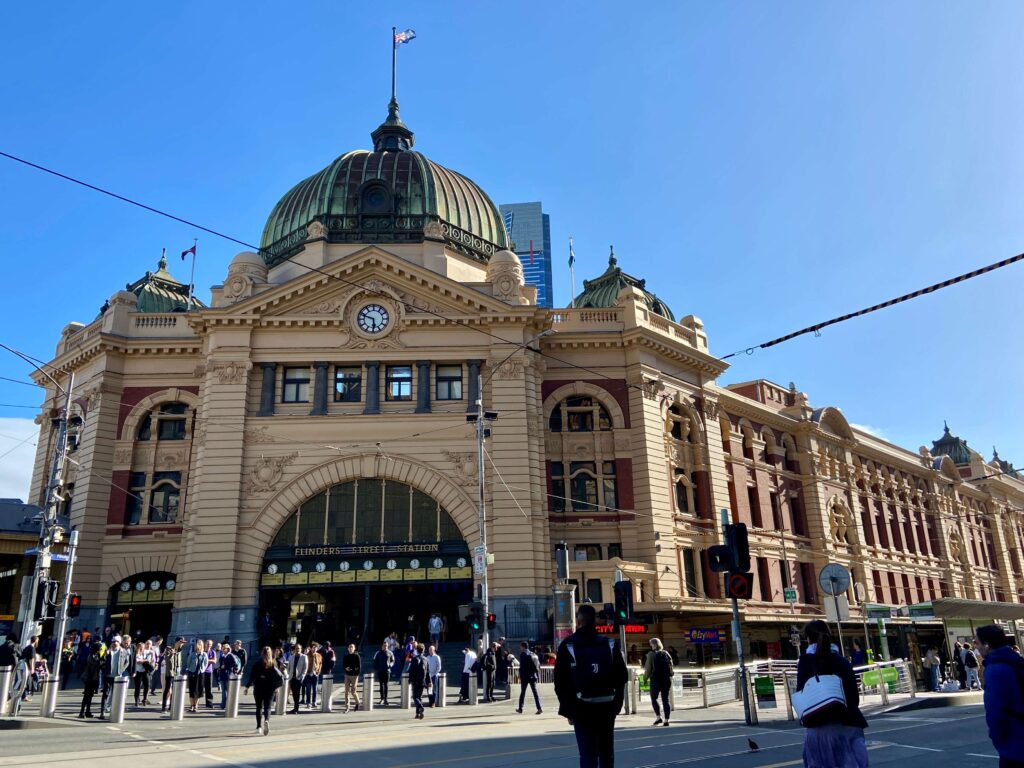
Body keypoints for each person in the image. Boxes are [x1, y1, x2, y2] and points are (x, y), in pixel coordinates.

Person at [554, 604, 628, 768]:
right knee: (606, 752)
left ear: (578, 621)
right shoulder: (609, 643)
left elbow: (560, 682)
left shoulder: (568, 644)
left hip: (581, 707)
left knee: (587, 754)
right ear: (595, 621)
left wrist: (568, 711)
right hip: (607, 706)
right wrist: (617, 705)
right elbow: (622, 676)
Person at [796, 620, 869, 768]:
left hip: (819, 727)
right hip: (850, 723)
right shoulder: (842, 661)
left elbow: (801, 693)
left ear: (808, 639)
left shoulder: (805, 661)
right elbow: (854, 698)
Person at [975, 624, 1024, 767]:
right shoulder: (1017, 661)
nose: (976, 647)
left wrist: (998, 738)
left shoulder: (995, 670)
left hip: (1015, 745)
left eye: (977, 642)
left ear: (987, 645)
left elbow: (995, 712)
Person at [245, 646, 283, 736]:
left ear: (262, 653)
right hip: (270, 688)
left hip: (258, 687)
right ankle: (266, 720)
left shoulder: (257, 663)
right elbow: (278, 677)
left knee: (259, 707)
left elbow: (252, 676)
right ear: (271, 653)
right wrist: (276, 687)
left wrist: (247, 687)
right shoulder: (273, 664)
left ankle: (259, 727)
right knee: (268, 707)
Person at [644, 637, 674, 726]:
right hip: (666, 679)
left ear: (653, 644)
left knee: (654, 698)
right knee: (665, 699)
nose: (650, 646)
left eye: (651, 644)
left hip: (655, 679)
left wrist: (645, 679)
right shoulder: (666, 653)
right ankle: (666, 720)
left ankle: (658, 717)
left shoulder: (651, 654)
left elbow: (648, 669)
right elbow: (671, 666)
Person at [101, 635, 132, 718]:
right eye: (113, 641)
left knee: (115, 694)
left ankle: (113, 710)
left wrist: (121, 670)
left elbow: (127, 662)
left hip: (117, 676)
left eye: (116, 642)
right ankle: (102, 712)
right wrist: (105, 654)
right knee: (105, 694)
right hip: (108, 676)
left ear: (119, 643)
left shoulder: (123, 651)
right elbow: (102, 661)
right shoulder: (108, 651)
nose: (114, 643)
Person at [516, 641, 542, 715]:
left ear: (523, 647)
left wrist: (520, 676)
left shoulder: (523, 654)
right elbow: (538, 665)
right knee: (535, 693)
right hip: (533, 676)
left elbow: (522, 667)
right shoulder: (532, 653)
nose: (520, 648)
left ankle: (520, 708)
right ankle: (539, 708)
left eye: (521, 646)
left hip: (525, 677)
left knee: (523, 693)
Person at [79, 641, 104, 718]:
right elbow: (96, 664)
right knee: (86, 695)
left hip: (94, 678)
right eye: (100, 648)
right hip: (89, 677)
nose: (101, 650)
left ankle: (87, 711)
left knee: (90, 696)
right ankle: (82, 712)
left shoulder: (97, 655)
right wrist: (101, 662)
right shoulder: (91, 656)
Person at [161, 638, 184, 712]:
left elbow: (179, 661)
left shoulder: (180, 650)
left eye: (183, 643)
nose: (182, 644)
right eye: (181, 642)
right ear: (177, 642)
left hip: (177, 673)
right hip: (170, 672)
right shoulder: (169, 648)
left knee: (175, 690)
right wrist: (171, 654)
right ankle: (164, 707)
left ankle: (171, 706)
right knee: (167, 689)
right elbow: (167, 660)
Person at [186, 639, 208, 713]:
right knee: (192, 690)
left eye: (199, 645)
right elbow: (188, 663)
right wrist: (190, 669)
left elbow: (205, 664)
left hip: (200, 674)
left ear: (201, 646)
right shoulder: (192, 654)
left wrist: (202, 670)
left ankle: (196, 706)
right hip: (192, 673)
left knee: (198, 690)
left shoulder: (204, 654)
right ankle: (192, 705)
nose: (197, 646)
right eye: (196, 645)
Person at [408, 642, 429, 719]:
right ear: (423, 650)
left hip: (415, 681)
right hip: (422, 681)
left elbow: (411, 671)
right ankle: (418, 714)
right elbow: (428, 672)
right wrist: (429, 681)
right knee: (419, 697)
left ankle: (420, 706)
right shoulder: (426, 659)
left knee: (415, 697)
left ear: (417, 650)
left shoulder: (414, 659)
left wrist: (410, 680)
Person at [218, 642, 241, 709]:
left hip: (229, 675)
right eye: (222, 648)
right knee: (223, 691)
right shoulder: (222, 656)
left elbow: (235, 665)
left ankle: (228, 704)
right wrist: (220, 668)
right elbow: (220, 665)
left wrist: (227, 667)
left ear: (227, 649)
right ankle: (223, 704)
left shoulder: (231, 656)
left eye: (224, 648)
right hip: (222, 675)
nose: (223, 649)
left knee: (228, 691)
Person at [288, 642, 308, 714]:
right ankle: (295, 708)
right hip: (291, 678)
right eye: (296, 648)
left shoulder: (304, 657)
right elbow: (289, 667)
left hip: (299, 678)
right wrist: (288, 676)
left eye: (298, 648)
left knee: (297, 693)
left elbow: (305, 668)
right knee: (293, 693)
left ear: (301, 649)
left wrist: (302, 676)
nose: (297, 650)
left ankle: (296, 708)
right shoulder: (291, 657)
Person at [373, 641, 394, 706]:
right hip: (380, 671)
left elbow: (392, 661)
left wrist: (390, 666)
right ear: (382, 646)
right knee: (381, 685)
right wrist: (377, 668)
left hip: (387, 671)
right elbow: (374, 661)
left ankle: (386, 699)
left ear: (388, 646)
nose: (385, 647)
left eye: (386, 646)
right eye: (384, 646)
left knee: (386, 685)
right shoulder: (378, 653)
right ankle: (382, 699)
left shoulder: (390, 653)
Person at [342, 643, 361, 712]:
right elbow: (343, 665)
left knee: (353, 691)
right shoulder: (346, 656)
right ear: (348, 648)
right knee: (346, 692)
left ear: (354, 648)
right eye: (349, 647)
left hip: (354, 676)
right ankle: (347, 707)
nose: (350, 648)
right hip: (347, 675)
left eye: (352, 647)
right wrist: (346, 668)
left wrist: (356, 673)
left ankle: (358, 703)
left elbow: (359, 667)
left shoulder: (357, 656)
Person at [133, 641, 154, 706]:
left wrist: (152, 656)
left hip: (145, 671)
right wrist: (146, 660)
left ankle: (144, 699)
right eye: (140, 648)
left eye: (143, 647)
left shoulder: (145, 652)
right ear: (138, 648)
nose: (142, 649)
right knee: (138, 686)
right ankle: (137, 700)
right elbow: (138, 662)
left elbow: (151, 651)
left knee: (147, 685)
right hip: (138, 672)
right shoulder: (136, 654)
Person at [304, 642, 322, 709]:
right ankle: (308, 702)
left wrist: (318, 671)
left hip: (315, 674)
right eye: (313, 647)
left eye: (316, 647)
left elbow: (320, 664)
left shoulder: (319, 655)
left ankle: (314, 701)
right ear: (311, 648)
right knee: (308, 689)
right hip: (308, 673)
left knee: (315, 689)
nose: (314, 649)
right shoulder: (307, 655)